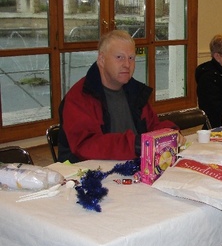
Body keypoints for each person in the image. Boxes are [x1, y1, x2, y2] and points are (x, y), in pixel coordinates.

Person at [58, 30, 183, 163]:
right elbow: (86, 145)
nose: (127, 65)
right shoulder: (80, 97)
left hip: (134, 166)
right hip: (90, 172)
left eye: (131, 58)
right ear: (101, 60)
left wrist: (170, 133)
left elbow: (152, 126)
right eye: (119, 57)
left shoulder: (136, 92)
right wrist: (135, 144)